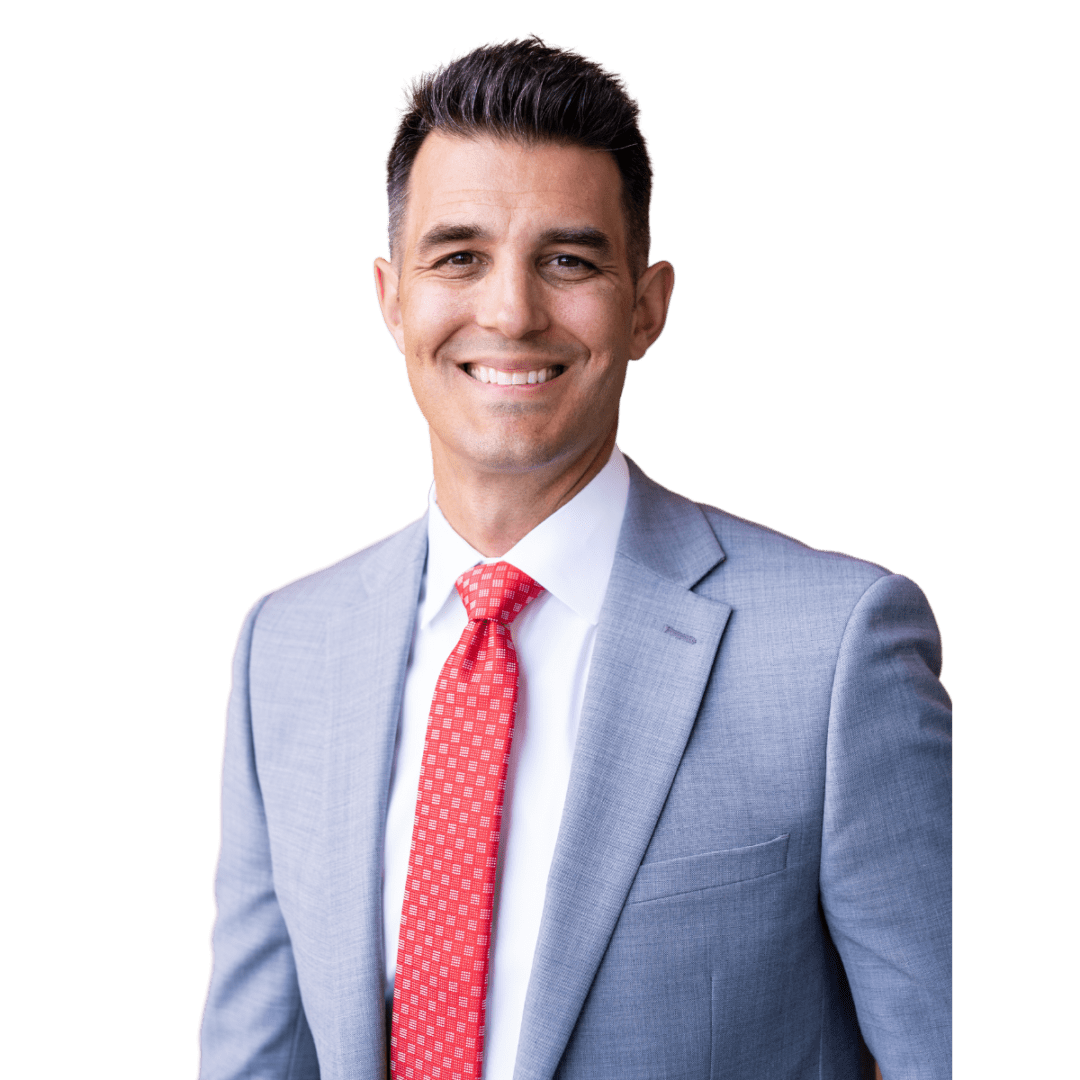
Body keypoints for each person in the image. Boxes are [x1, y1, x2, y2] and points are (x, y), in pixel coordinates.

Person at [197, 34, 952, 1080]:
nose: (510, 311)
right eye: (458, 256)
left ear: (646, 306)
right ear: (391, 299)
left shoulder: (836, 650)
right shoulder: (285, 647)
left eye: (569, 260)